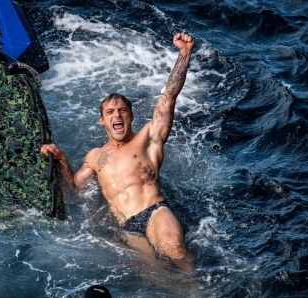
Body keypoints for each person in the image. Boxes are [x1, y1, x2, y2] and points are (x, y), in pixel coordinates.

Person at [41, 32, 195, 270]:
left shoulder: (148, 137)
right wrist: (61, 158)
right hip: (126, 227)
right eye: (110, 112)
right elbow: (74, 189)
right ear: (102, 121)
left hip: (154, 210)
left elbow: (169, 96)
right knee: (153, 273)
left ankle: (199, 291)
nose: (117, 115)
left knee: (174, 248)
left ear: (131, 116)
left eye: (122, 110)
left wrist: (184, 53)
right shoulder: (94, 157)